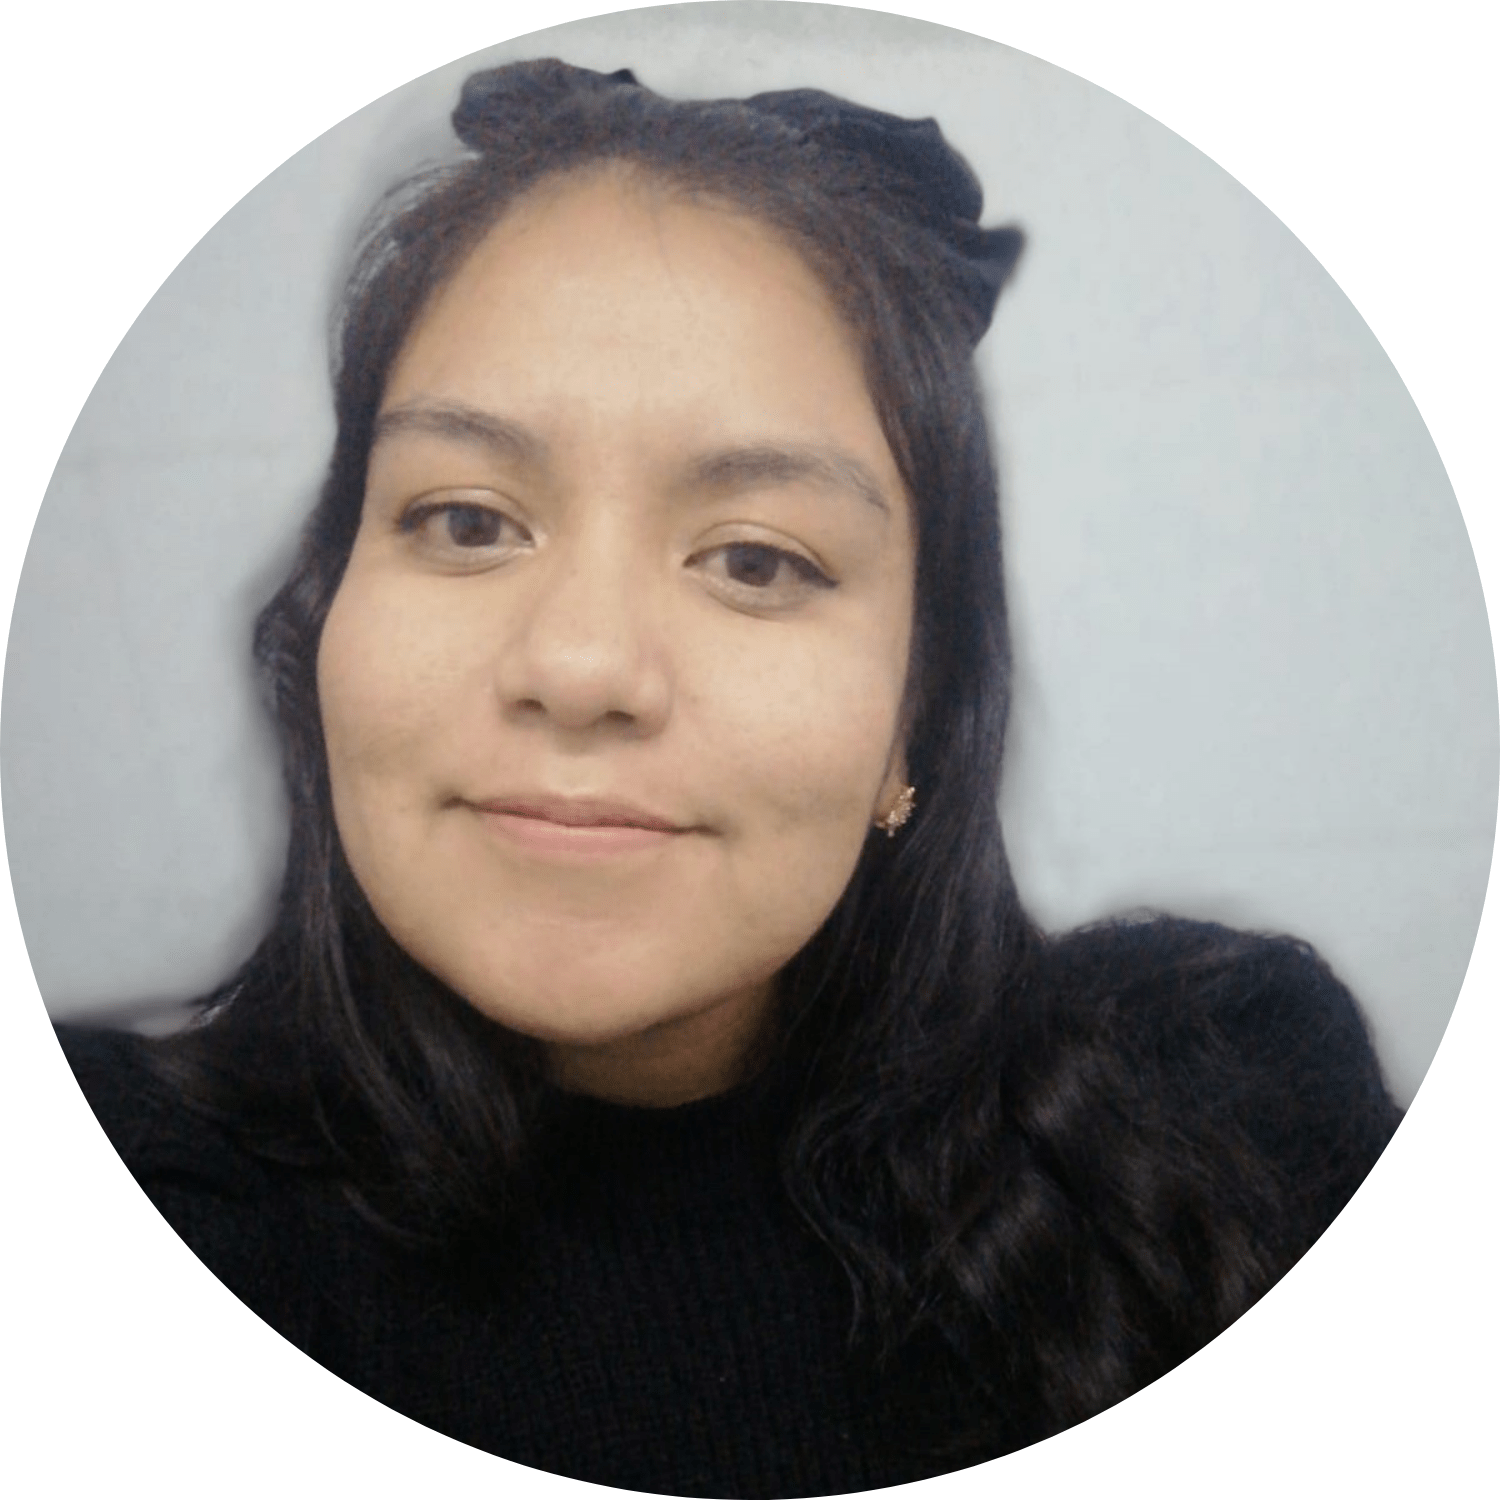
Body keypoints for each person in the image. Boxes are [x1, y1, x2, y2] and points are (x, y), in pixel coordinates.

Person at [57, 59, 1400, 1497]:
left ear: (917, 715)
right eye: (465, 521)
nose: (579, 665)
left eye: (756, 559)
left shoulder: (1217, 1136)